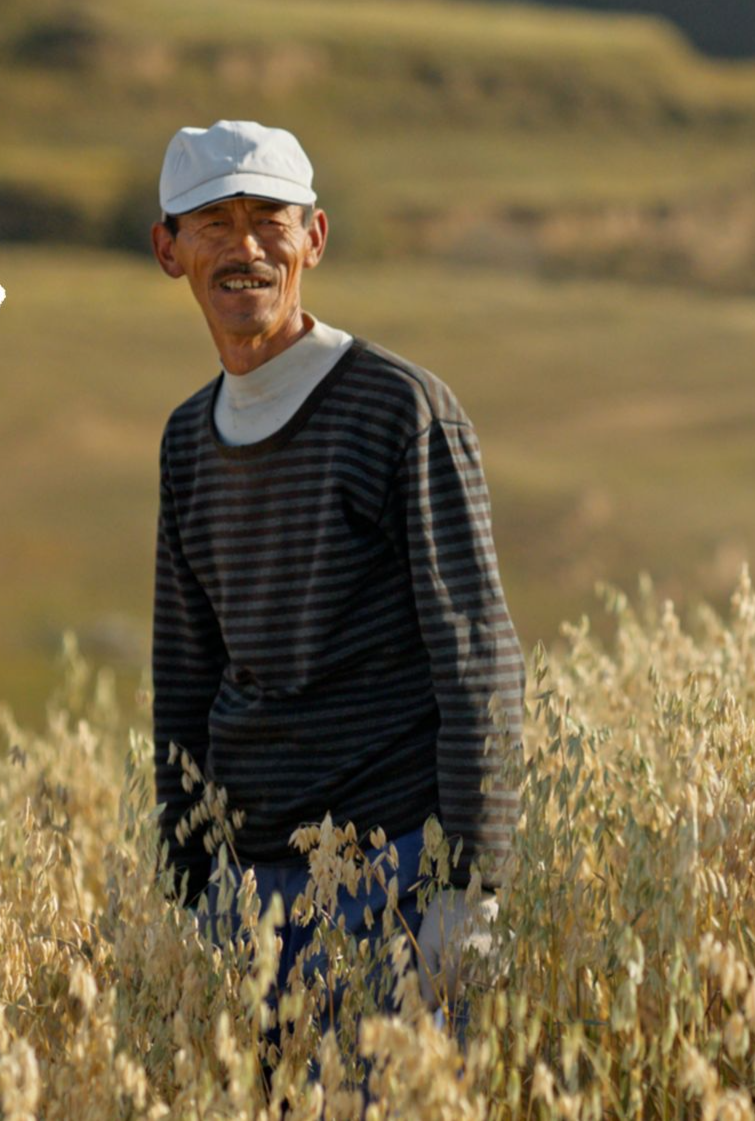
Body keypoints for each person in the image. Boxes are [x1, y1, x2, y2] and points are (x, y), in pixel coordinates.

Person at [148, 120, 524, 1015]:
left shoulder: (402, 409)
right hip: (246, 895)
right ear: (168, 249)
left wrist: (472, 890)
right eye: (213, 222)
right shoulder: (187, 440)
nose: (245, 248)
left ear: (314, 237)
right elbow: (185, 676)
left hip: (393, 876)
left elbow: (478, 659)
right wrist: (184, 882)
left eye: (269, 218)